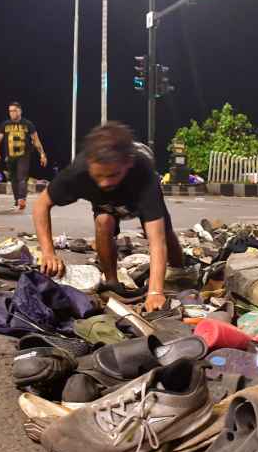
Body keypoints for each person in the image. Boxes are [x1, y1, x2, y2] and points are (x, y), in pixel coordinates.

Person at [33, 122, 183, 313]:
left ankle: (181, 270)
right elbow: (41, 205)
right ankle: (112, 282)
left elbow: (157, 240)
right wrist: (48, 252)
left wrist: (155, 292)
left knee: (168, 238)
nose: (104, 182)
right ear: (89, 164)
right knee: (103, 222)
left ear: (128, 163)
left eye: (112, 174)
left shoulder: (143, 173)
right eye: (99, 175)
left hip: (136, 197)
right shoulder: (78, 173)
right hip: (106, 205)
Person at [0, 101, 47, 211]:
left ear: (20, 111)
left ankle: (22, 199)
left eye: (14, 111)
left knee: (22, 177)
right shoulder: (5, 124)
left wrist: (42, 154)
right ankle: (17, 200)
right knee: (13, 179)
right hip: (10, 156)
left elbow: (36, 140)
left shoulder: (28, 124)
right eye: (10, 111)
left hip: (24, 155)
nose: (12, 113)